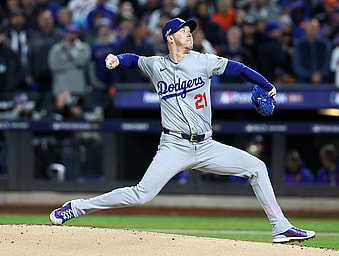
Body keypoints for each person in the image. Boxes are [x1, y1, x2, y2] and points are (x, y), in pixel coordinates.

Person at [49, 17, 315, 244]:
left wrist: (267, 84)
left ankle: (280, 227)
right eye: (184, 31)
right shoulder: (157, 66)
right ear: (170, 38)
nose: (189, 33)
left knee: (256, 168)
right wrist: (116, 59)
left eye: (191, 31)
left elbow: (239, 69)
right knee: (142, 195)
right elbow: (134, 60)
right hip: (174, 146)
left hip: (207, 146)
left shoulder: (204, 61)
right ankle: (76, 207)